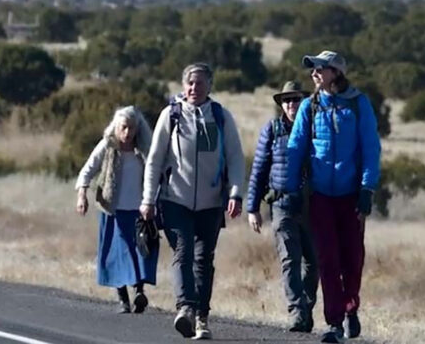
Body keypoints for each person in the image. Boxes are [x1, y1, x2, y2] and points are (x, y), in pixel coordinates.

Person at [276, 51, 381, 344]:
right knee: (327, 259)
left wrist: (367, 189)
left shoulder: (359, 105)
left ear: (335, 72)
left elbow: (371, 149)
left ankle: (351, 308)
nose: (314, 74)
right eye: (313, 69)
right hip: (320, 195)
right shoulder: (310, 107)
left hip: (351, 196)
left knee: (353, 258)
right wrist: (293, 189)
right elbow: (296, 149)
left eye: (320, 68)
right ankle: (334, 322)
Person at [141, 62, 246, 340]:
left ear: (210, 85)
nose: (193, 88)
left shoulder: (221, 117)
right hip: (175, 198)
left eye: (199, 83)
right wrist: (148, 199)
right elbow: (154, 161)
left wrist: (235, 193)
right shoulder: (171, 115)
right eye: (189, 82)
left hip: (212, 203)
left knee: (203, 261)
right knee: (183, 253)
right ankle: (185, 308)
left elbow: (236, 158)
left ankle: (202, 317)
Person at [246, 80, 319, 333]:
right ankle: (297, 312)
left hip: (313, 206)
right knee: (290, 260)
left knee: (314, 262)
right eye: (286, 100)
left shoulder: (315, 129)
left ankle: (307, 308)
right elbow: (259, 169)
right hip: (282, 205)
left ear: (304, 102)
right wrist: (252, 207)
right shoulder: (273, 130)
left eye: (296, 99)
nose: (291, 104)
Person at [75, 106, 158, 314]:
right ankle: (123, 299)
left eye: (131, 128)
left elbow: (158, 173)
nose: (127, 133)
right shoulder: (108, 146)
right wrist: (82, 195)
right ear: (116, 127)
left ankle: (139, 291)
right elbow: (88, 169)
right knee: (117, 256)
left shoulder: (145, 149)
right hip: (113, 210)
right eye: (124, 127)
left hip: (139, 211)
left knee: (142, 251)